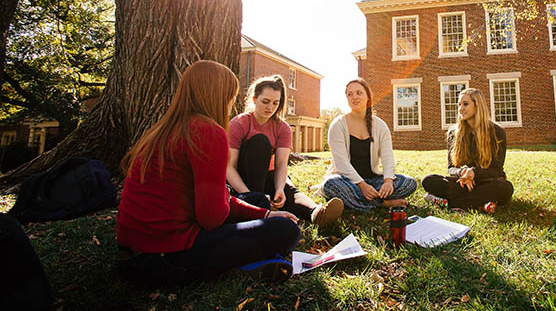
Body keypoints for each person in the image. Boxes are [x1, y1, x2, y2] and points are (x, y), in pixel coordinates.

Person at [117, 60, 301, 286]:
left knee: (257, 200)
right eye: (231, 98)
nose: (231, 105)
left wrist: (263, 215)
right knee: (286, 230)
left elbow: (209, 201)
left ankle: (245, 257)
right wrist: (262, 219)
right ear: (219, 96)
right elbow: (211, 218)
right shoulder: (207, 132)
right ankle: (235, 266)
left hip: (132, 252)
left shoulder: (163, 128)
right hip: (163, 258)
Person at [227, 75, 343, 226]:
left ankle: (316, 213)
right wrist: (250, 195)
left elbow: (281, 164)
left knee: (287, 189)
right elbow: (229, 167)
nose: (270, 107)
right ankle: (259, 207)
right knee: (260, 142)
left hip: (267, 175)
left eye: (275, 103)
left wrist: (279, 189)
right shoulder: (239, 123)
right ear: (254, 99)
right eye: (265, 102)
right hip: (243, 180)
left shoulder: (282, 128)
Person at [319, 78, 417, 211]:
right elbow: (341, 163)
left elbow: (387, 156)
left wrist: (388, 181)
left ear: (368, 97)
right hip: (347, 181)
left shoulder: (380, 125)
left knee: (409, 183)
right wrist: (362, 186)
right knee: (330, 185)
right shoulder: (338, 125)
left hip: (372, 180)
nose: (354, 97)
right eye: (350, 94)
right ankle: (382, 204)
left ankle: (357, 202)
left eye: (359, 93)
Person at [421, 88, 514, 213]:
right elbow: (451, 168)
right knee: (428, 180)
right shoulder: (453, 133)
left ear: (477, 106)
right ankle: (480, 203)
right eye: (459, 104)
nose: (460, 108)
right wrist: (463, 172)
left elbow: (497, 170)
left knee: (505, 188)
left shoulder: (497, 131)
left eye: (465, 104)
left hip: (487, 182)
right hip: (463, 183)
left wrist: (474, 173)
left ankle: (450, 204)